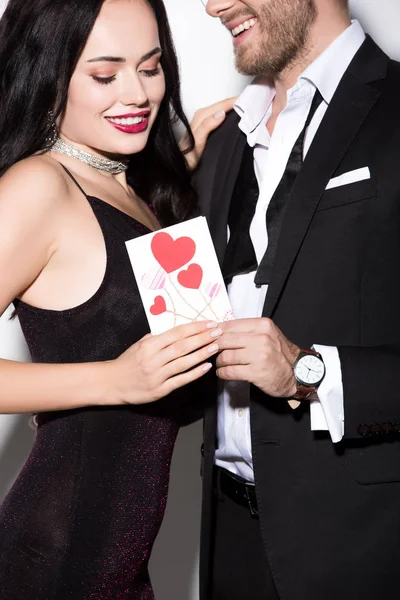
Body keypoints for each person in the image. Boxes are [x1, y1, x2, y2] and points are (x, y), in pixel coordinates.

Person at [0, 0, 232, 597]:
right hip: (56, 561)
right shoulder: (37, 187)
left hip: (118, 562)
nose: (136, 94)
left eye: (151, 67)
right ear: (50, 75)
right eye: (105, 75)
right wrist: (114, 380)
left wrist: (186, 162)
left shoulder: (132, 191)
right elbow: (122, 369)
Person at [194, 1, 400, 599]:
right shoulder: (224, 136)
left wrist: (308, 374)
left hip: (361, 551)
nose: (214, 5)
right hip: (225, 533)